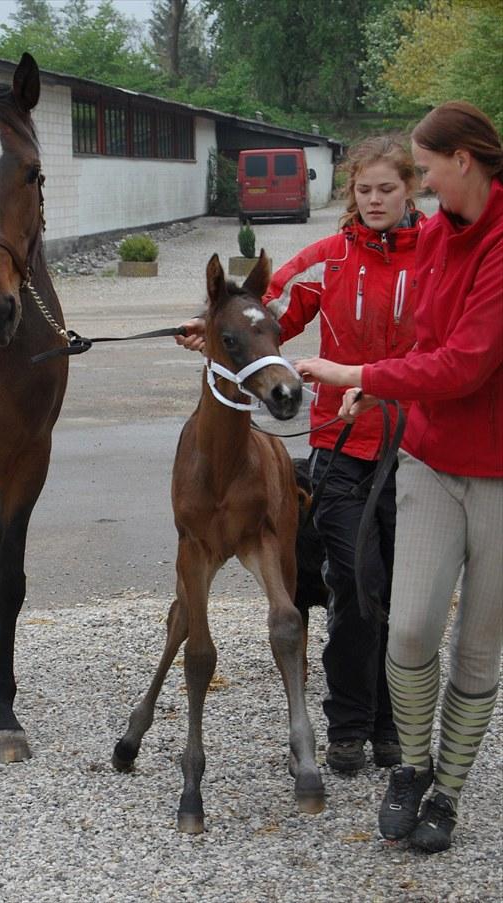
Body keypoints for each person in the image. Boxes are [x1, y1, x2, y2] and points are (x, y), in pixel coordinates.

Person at [178, 137, 425, 775]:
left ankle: (388, 721)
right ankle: (347, 723)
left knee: (403, 592)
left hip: (418, 448)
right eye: (364, 190)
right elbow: (263, 313)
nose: (374, 201)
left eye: (387, 190)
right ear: (352, 195)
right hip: (339, 448)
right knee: (353, 583)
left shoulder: (436, 257)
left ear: (409, 190)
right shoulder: (326, 259)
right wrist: (213, 329)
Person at [295, 101, 503, 853]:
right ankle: (409, 764)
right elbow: (423, 337)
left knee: (477, 649)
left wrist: (365, 373)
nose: (407, 190)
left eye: (423, 167)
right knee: (410, 626)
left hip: (499, 472)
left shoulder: (498, 242)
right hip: (431, 455)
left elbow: (469, 360)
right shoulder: (441, 236)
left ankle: (446, 791)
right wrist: (377, 381)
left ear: (460, 165)